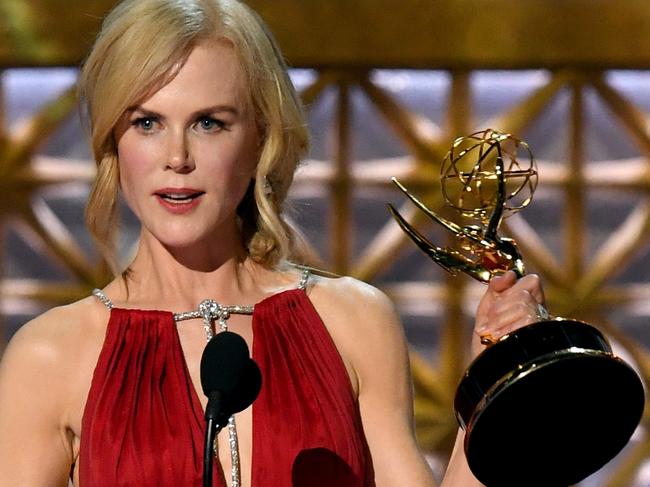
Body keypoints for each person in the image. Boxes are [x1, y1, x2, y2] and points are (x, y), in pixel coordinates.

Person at [0, 1, 547, 486]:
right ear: (112, 140)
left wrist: (494, 392)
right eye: (147, 122)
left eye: (209, 123)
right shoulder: (51, 355)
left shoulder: (352, 321)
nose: (177, 157)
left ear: (261, 136)